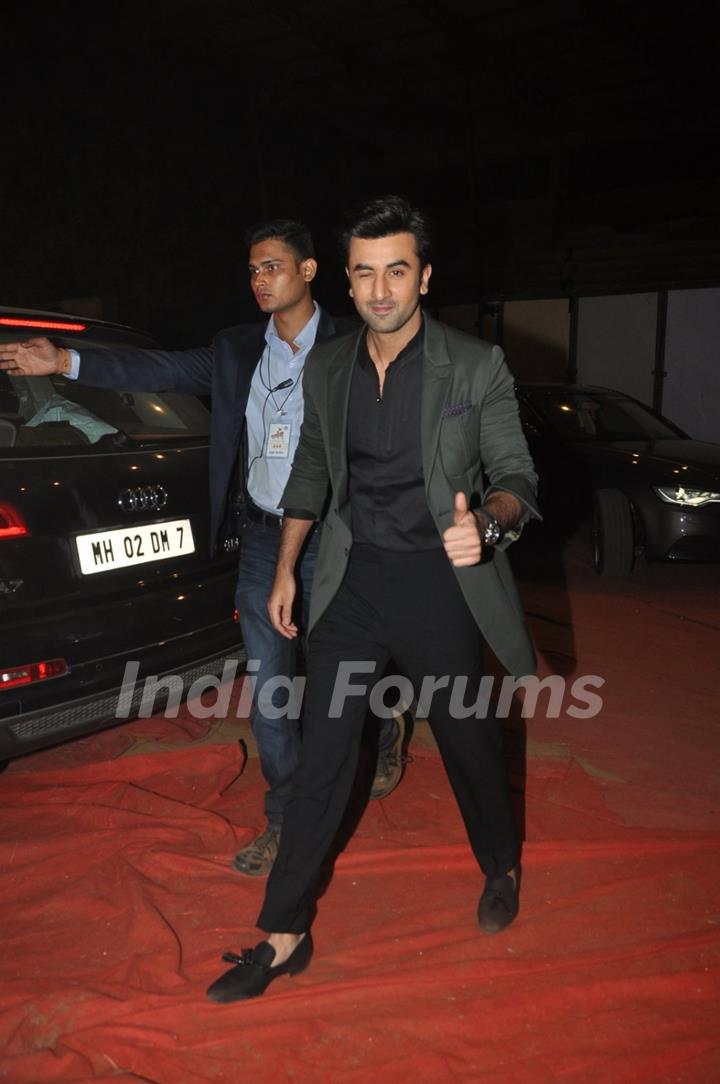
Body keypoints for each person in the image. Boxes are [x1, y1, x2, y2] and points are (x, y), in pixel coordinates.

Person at [205, 195, 540, 1004]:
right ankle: (284, 933)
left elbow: (518, 479)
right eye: (365, 273)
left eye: (397, 270)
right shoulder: (328, 366)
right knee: (324, 753)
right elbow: (311, 472)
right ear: (346, 283)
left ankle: (500, 863)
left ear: (423, 276)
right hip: (352, 583)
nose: (381, 289)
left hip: (440, 583)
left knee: (467, 741)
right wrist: (287, 567)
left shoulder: (475, 364)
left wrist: (487, 530)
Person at [0, 218, 404, 875]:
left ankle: (385, 731)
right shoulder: (236, 348)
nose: (259, 280)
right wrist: (65, 361)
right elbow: (155, 369)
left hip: (339, 538)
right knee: (272, 689)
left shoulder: (354, 342)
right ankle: (287, 822)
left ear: (307, 272)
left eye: (272, 266)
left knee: (347, 675)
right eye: (251, 270)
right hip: (261, 538)